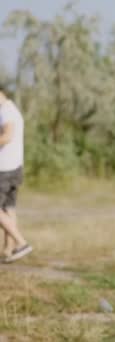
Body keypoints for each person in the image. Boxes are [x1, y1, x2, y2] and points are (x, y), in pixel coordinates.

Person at [0, 85, 32, 263]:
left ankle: (21, 242)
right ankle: (9, 250)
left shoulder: (5, 112)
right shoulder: (12, 109)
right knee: (9, 208)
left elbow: (7, 136)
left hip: (3, 169)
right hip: (15, 168)